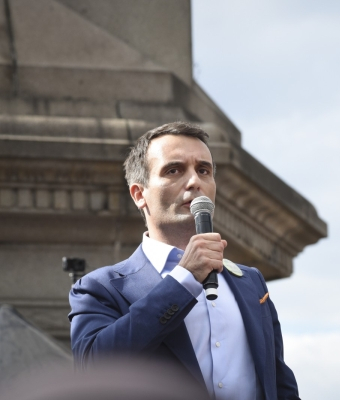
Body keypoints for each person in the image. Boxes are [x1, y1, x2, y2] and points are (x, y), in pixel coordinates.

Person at [68, 122, 300, 400]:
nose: (194, 182)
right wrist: (183, 280)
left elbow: (279, 382)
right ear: (139, 194)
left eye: (203, 170)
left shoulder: (251, 282)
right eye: (174, 170)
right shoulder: (100, 288)